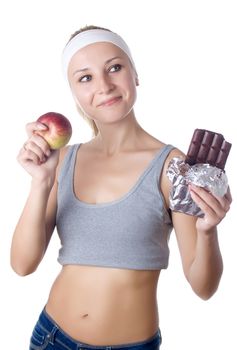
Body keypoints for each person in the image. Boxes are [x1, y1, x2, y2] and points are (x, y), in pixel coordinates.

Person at [11, 25, 232, 350]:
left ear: (135, 74)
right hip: (51, 337)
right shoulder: (62, 160)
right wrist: (41, 181)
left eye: (115, 67)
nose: (104, 85)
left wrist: (208, 231)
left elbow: (204, 287)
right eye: (85, 78)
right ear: (74, 94)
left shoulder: (173, 168)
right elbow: (22, 265)